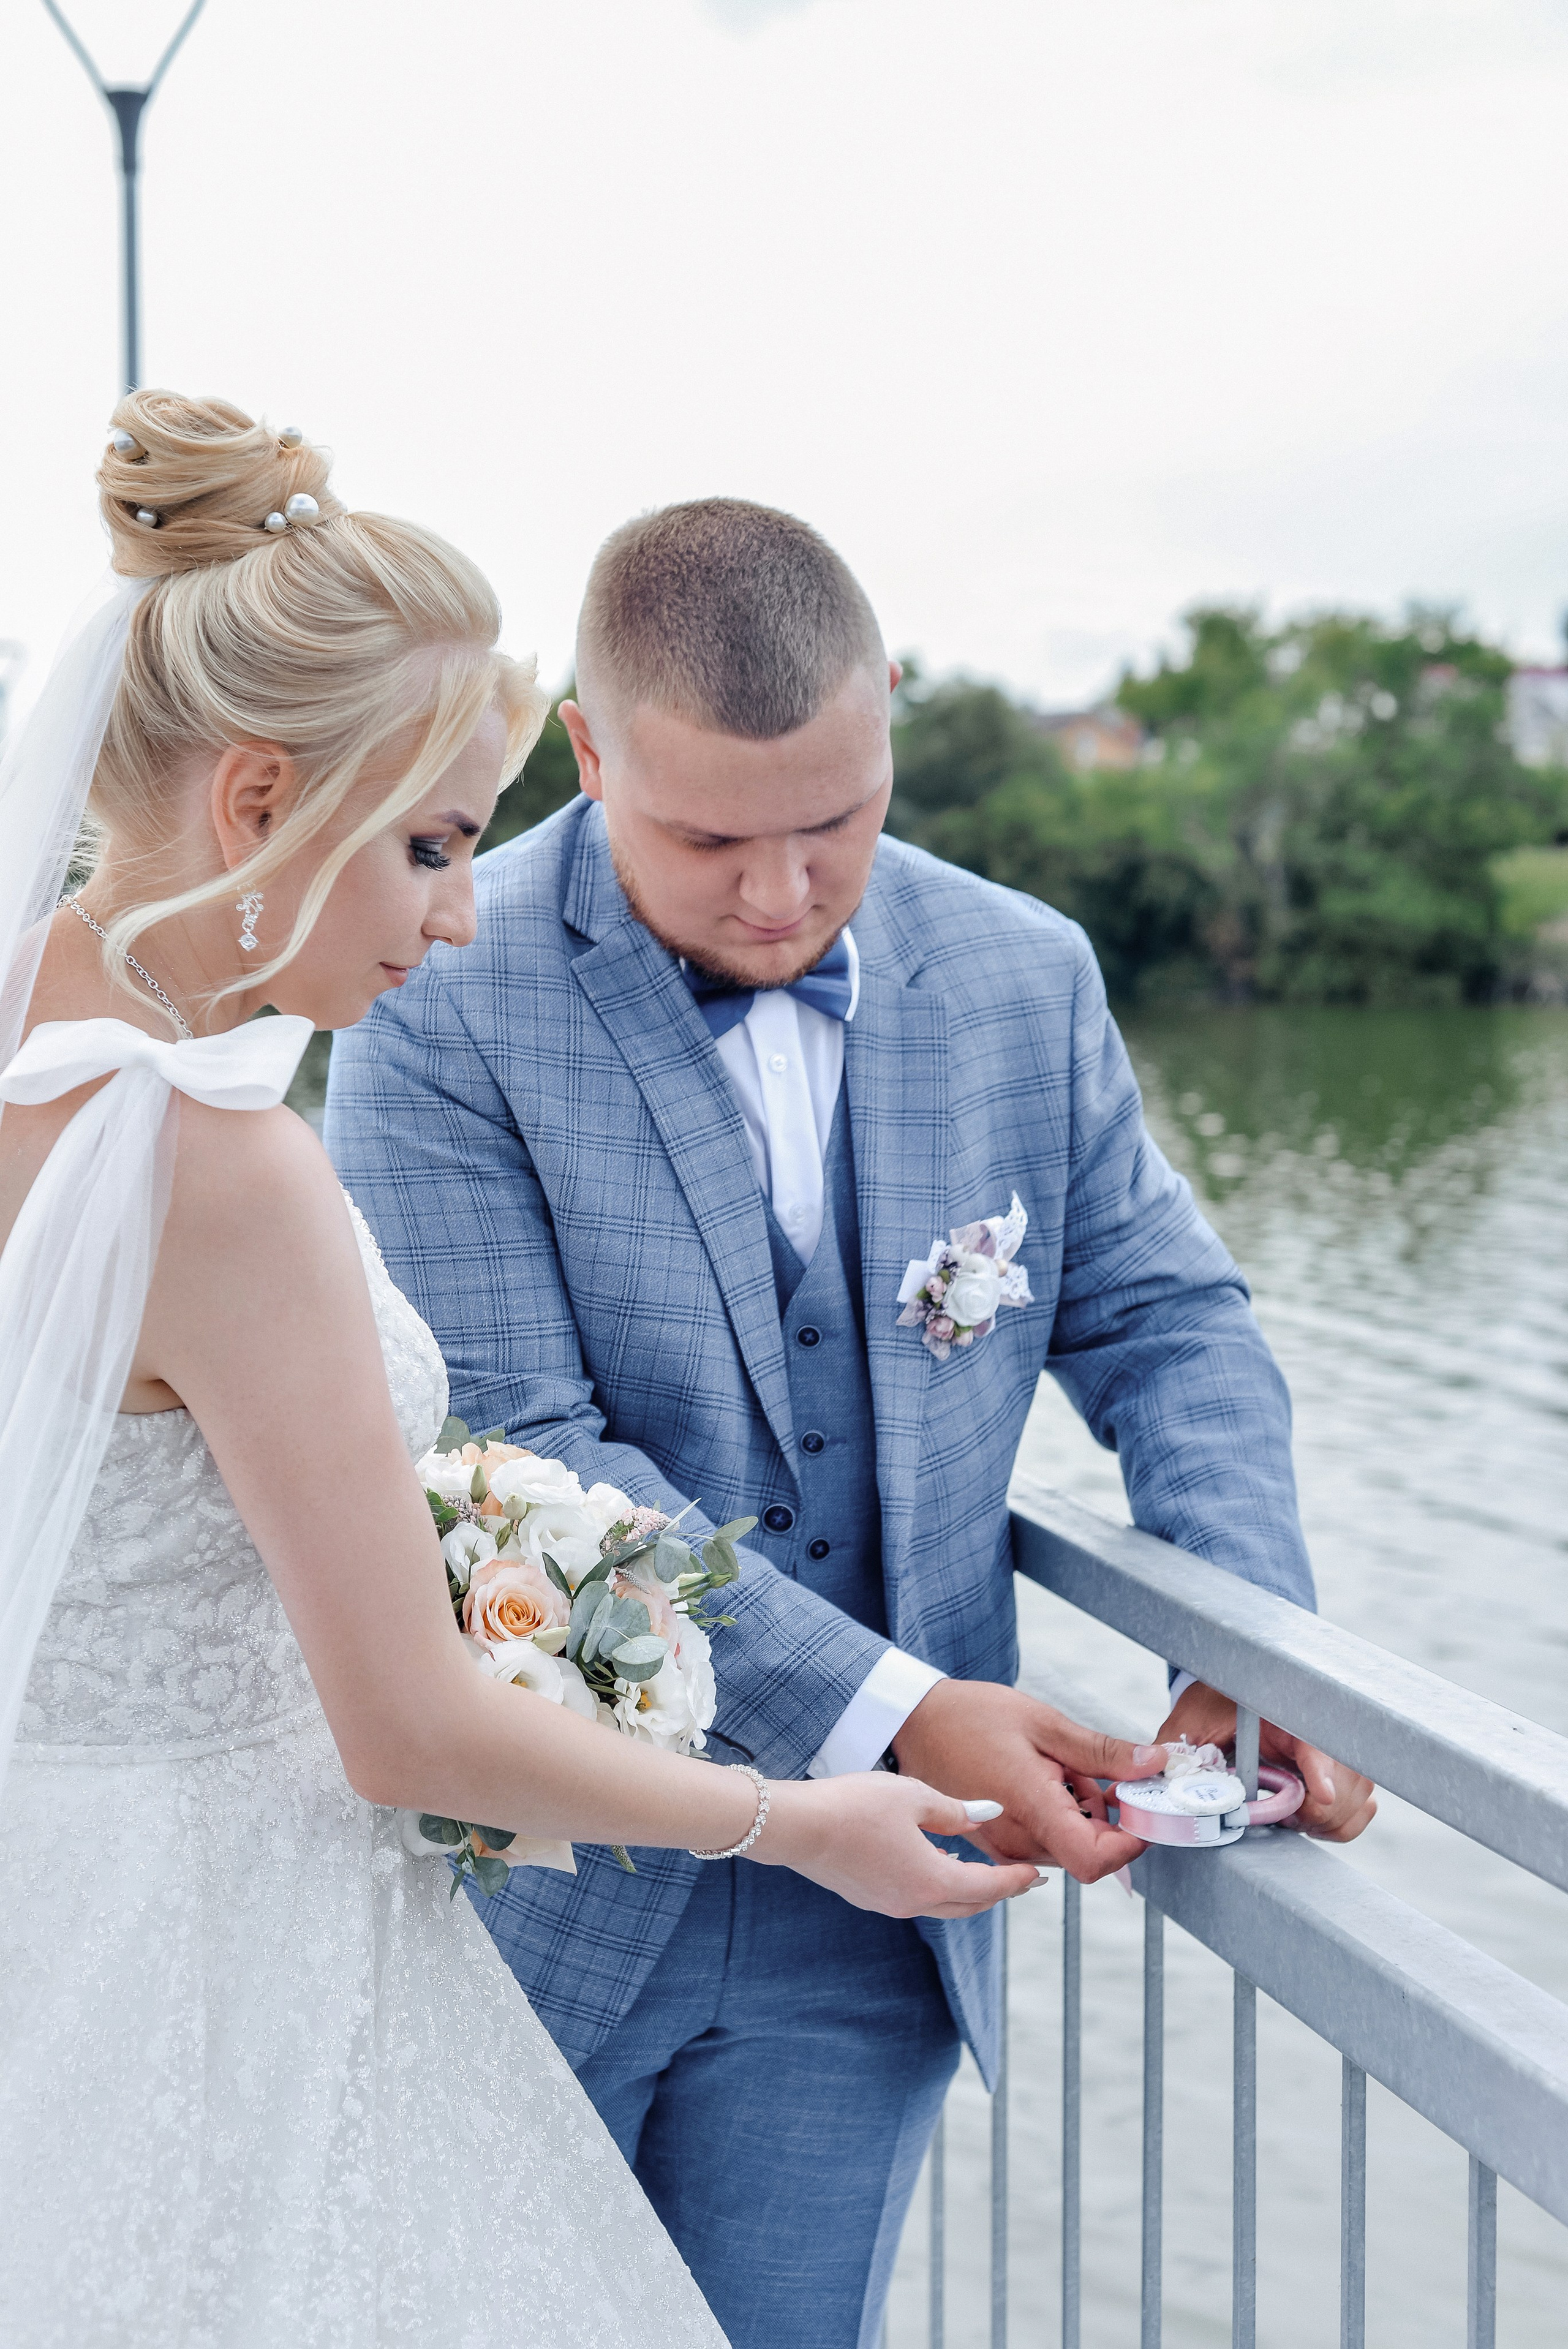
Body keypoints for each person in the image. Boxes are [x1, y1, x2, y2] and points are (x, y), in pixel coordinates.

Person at [0, 401, 1110, 2349]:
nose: (458, 908)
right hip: (230, 1976)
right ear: (260, 801)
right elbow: (405, 1731)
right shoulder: (219, 1162)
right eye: (431, 841)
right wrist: (796, 1820)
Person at [328, 498, 1379, 2349]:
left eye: (838, 821)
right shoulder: (436, 995)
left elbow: (1163, 1312)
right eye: (710, 834)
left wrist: (1246, 1635)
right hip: (542, 1889)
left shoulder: (1022, 973)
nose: (781, 891)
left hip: (886, 1911)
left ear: (890, 716)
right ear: (588, 745)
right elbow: (515, 1438)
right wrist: (901, 1703)